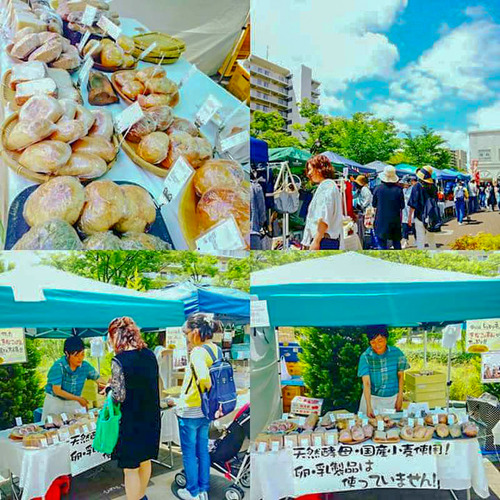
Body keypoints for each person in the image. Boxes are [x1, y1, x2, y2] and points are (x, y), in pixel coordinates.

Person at [107, 317, 161, 500]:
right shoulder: (149, 355)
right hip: (151, 417)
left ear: (116, 336)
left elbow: (119, 396)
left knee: (130, 469)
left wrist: (109, 389)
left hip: (130, 421)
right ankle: (141, 496)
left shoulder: (119, 360)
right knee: (145, 461)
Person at [176, 313, 223, 500]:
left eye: (187, 333)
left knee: (189, 453)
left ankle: (192, 491)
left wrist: (203, 389)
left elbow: (204, 378)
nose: (186, 338)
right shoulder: (216, 350)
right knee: (202, 450)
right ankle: (203, 488)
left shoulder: (197, 352)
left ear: (195, 332)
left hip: (190, 410)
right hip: (206, 411)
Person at [42, 336, 102, 421]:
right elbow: (57, 390)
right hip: (55, 402)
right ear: (67, 354)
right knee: (52, 426)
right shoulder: (58, 367)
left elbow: (98, 378)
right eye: (76, 355)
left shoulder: (85, 366)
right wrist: (79, 399)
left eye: (82, 354)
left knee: (76, 425)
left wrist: (106, 385)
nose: (80, 358)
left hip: (73, 402)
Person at [358, 326, 409, 417]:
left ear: (386, 339)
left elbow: (401, 376)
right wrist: (369, 406)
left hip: (391, 399)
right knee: (368, 424)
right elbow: (366, 383)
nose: (377, 345)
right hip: (371, 399)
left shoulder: (397, 353)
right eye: (373, 342)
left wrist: (400, 398)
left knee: (390, 423)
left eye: (380, 341)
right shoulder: (365, 356)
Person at [301, 155, 344, 250]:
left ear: (319, 169)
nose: (309, 173)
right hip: (324, 240)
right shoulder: (327, 186)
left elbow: (324, 217)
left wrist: (316, 241)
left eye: (310, 169)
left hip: (323, 241)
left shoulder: (327, 186)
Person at [372, 166, 405, 250]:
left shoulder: (377, 188)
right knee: (396, 243)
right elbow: (402, 206)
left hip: (381, 220)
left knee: (381, 245)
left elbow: (374, 204)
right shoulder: (399, 190)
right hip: (395, 220)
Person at [408, 165, 439, 249]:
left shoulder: (416, 186)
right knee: (431, 239)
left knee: (420, 239)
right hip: (431, 215)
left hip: (419, 215)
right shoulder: (433, 187)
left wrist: (409, 217)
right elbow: (436, 201)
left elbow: (413, 204)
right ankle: (433, 255)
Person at [353, 175, 373, 247]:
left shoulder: (365, 189)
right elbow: (355, 196)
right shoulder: (361, 189)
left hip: (367, 210)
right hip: (364, 210)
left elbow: (368, 199)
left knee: (366, 226)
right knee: (365, 227)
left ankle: (365, 243)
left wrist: (362, 206)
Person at [401, 176, 415, 249]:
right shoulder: (403, 190)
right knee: (404, 227)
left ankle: (416, 239)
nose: (403, 184)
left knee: (414, 226)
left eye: (405, 183)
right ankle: (405, 241)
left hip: (412, 210)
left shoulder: (413, 189)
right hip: (404, 211)